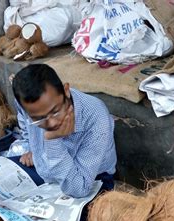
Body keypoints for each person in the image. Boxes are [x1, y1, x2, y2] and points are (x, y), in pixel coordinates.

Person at [10, 64, 117, 198]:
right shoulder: (25, 103)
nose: (52, 123)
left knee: (91, 216)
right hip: (45, 168)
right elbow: (23, 116)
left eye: (55, 111)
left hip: (91, 178)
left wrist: (52, 141)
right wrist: (30, 146)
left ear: (66, 91)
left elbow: (79, 188)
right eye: (39, 119)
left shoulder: (96, 115)